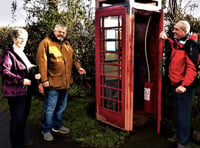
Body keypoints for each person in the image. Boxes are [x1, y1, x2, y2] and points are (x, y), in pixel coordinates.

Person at [36, 24, 86, 141]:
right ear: (54, 31)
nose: (61, 34)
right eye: (59, 32)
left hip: (65, 81)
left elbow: (73, 59)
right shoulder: (46, 43)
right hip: (52, 82)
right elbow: (42, 62)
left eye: (63, 32)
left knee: (61, 106)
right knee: (50, 108)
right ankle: (46, 129)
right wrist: (44, 80)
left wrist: (78, 67)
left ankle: (57, 126)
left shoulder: (66, 44)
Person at [160, 21, 199, 148]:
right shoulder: (180, 43)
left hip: (184, 87)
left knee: (183, 115)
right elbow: (176, 46)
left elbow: (192, 69)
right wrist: (166, 39)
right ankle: (180, 135)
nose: (173, 31)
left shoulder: (191, 45)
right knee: (177, 113)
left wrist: (184, 85)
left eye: (176, 30)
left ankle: (184, 142)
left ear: (184, 32)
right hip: (175, 84)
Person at [0, 28, 41, 148]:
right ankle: (16, 143)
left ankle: (21, 137)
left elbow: (27, 68)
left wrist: (35, 75)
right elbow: (4, 71)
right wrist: (21, 80)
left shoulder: (24, 52)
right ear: (14, 38)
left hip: (26, 91)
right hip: (15, 92)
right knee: (17, 120)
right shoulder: (8, 53)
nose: (23, 40)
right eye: (20, 38)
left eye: (25, 38)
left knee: (23, 117)